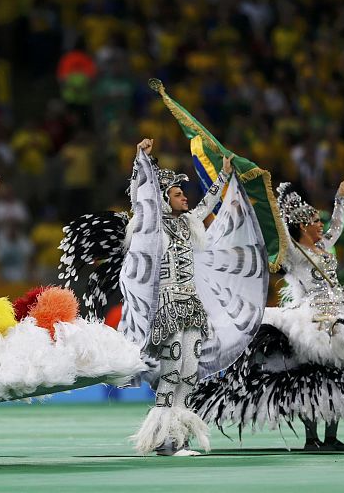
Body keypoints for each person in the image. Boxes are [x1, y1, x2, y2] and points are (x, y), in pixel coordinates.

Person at [192, 179, 344, 451]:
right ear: (302, 225)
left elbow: (338, 224)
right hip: (309, 319)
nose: (321, 224)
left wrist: (340, 198)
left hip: (338, 312)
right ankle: (312, 438)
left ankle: (331, 438)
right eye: (314, 220)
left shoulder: (323, 244)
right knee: (310, 377)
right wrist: (269, 203)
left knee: (337, 375)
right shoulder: (293, 253)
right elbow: (281, 234)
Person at [119, 139, 267, 456]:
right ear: (162, 199)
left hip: (192, 308)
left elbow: (208, 204)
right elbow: (139, 197)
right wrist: (140, 159)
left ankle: (178, 439)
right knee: (170, 376)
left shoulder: (188, 223)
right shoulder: (151, 227)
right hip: (168, 308)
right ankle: (163, 441)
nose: (184, 197)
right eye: (176, 193)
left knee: (189, 375)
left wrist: (224, 177)